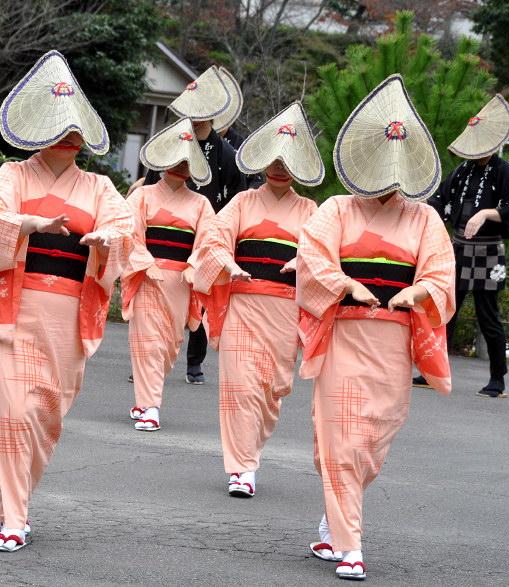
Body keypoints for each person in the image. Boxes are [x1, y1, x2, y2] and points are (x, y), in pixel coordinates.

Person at [0, 50, 132, 552]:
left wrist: (106, 240)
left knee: (46, 414)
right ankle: (14, 518)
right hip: (12, 312)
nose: (69, 135)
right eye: (60, 127)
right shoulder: (11, 177)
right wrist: (28, 224)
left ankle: (16, 501)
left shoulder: (100, 186)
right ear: (40, 130)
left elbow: (124, 228)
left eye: (77, 128)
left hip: (67, 315)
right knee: (15, 410)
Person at [296, 75, 455, 581]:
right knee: (341, 439)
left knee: (371, 442)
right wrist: (346, 283)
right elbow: (312, 260)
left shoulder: (425, 219)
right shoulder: (336, 209)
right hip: (345, 335)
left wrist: (418, 291)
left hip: (392, 343)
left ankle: (333, 523)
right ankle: (351, 547)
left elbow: (441, 273)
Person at [191, 102, 322, 498]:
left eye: (287, 162)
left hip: (285, 309)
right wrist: (228, 264)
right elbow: (214, 239)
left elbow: (324, 252)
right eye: (273, 161)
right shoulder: (243, 202)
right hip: (244, 305)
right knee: (239, 387)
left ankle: (249, 451)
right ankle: (242, 468)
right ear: (263, 162)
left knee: (268, 392)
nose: (279, 168)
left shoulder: (311, 210)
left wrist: (304, 260)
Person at [412, 94, 509, 399]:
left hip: (489, 251)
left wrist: (485, 213)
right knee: (446, 310)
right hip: (457, 248)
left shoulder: (505, 171)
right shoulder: (463, 170)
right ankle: (434, 371)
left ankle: (497, 379)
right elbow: (439, 201)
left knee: (488, 316)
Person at [145, 66, 247, 384]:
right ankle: (150, 359)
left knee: (200, 297)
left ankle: (194, 362)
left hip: (206, 232)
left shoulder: (225, 152)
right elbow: (152, 181)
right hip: (169, 230)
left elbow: (238, 196)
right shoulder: (172, 143)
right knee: (158, 298)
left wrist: (224, 230)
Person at [122, 117, 215, 432]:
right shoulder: (142, 196)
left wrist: (194, 265)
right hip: (147, 277)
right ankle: (151, 408)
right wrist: (144, 261)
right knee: (147, 342)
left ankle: (144, 397)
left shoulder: (201, 204)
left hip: (180, 281)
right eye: (176, 159)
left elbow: (209, 241)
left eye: (187, 162)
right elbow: (130, 233)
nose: (180, 166)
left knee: (169, 344)